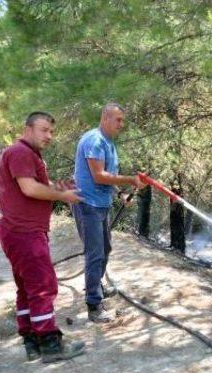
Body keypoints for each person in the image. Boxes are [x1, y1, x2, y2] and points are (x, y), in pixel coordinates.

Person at [0, 111, 86, 363]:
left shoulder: (25, 154)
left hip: (19, 231)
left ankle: (31, 341)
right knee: (44, 286)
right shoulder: (21, 152)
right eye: (44, 130)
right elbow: (29, 188)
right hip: (24, 232)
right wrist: (62, 196)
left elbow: (32, 188)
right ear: (27, 129)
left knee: (27, 288)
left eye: (51, 131)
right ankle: (50, 344)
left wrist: (56, 189)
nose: (49, 136)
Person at [72, 103, 145, 323]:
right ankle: (94, 305)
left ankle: (96, 287)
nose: (121, 124)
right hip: (88, 205)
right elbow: (99, 176)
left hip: (101, 204)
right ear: (105, 118)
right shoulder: (94, 141)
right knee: (95, 253)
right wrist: (131, 179)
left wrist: (121, 191)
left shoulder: (108, 143)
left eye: (122, 120)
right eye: (118, 120)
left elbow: (109, 175)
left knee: (106, 248)